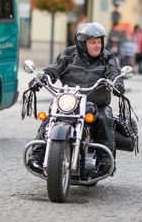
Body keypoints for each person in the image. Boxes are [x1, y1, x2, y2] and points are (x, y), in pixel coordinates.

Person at [27, 22, 125, 174]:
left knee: (105, 117)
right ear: (82, 44)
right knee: (51, 114)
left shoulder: (107, 57)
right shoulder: (68, 54)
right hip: (71, 100)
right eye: (93, 42)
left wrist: (117, 82)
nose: (97, 46)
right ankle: (37, 155)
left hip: (96, 103)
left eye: (99, 42)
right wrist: (41, 78)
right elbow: (53, 70)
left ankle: (105, 161)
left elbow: (114, 72)